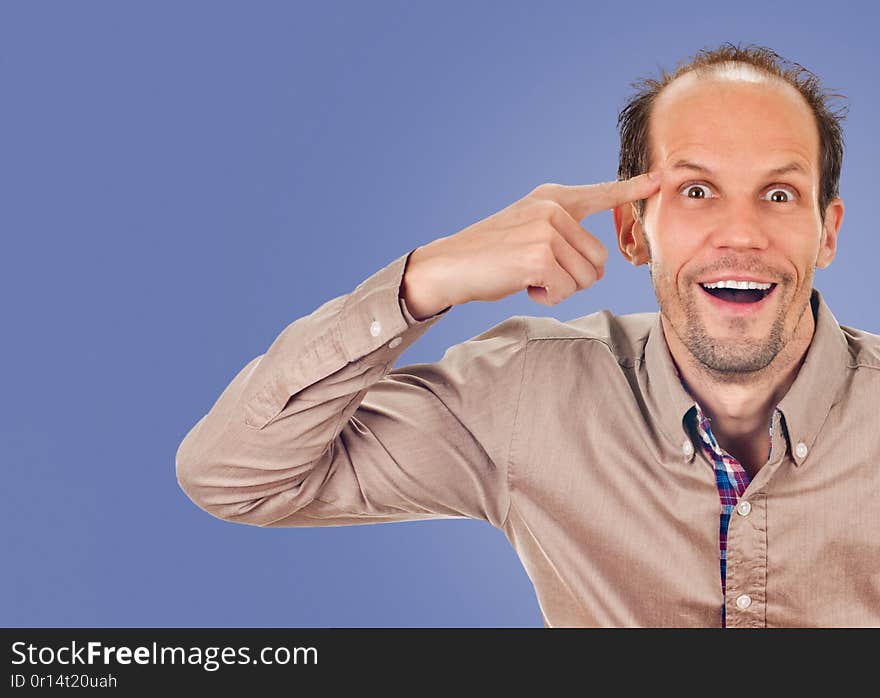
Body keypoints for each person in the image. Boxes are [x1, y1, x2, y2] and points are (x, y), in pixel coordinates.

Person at [175, 42, 880, 628]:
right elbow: (233, 478)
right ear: (633, 232)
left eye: (780, 194)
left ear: (829, 232)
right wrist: (429, 278)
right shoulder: (529, 393)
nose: (741, 233)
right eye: (696, 190)